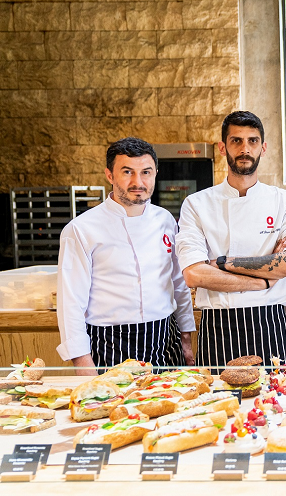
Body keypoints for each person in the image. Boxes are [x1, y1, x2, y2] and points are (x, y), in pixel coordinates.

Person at [175, 111, 286, 367]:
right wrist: (264, 280)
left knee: (278, 403)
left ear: (263, 148)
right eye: (236, 141)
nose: (245, 149)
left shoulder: (285, 201)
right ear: (223, 148)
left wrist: (221, 263)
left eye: (252, 141)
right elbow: (194, 276)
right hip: (217, 327)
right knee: (217, 405)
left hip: (270, 323)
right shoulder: (196, 204)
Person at [56, 137, 195, 376]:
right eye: (127, 172)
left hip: (165, 338)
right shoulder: (80, 229)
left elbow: (178, 283)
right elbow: (70, 303)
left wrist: (186, 336)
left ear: (155, 174)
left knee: (173, 407)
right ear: (110, 175)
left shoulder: (166, 220)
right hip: (110, 343)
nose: (137, 182)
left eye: (146, 172)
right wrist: (82, 362)